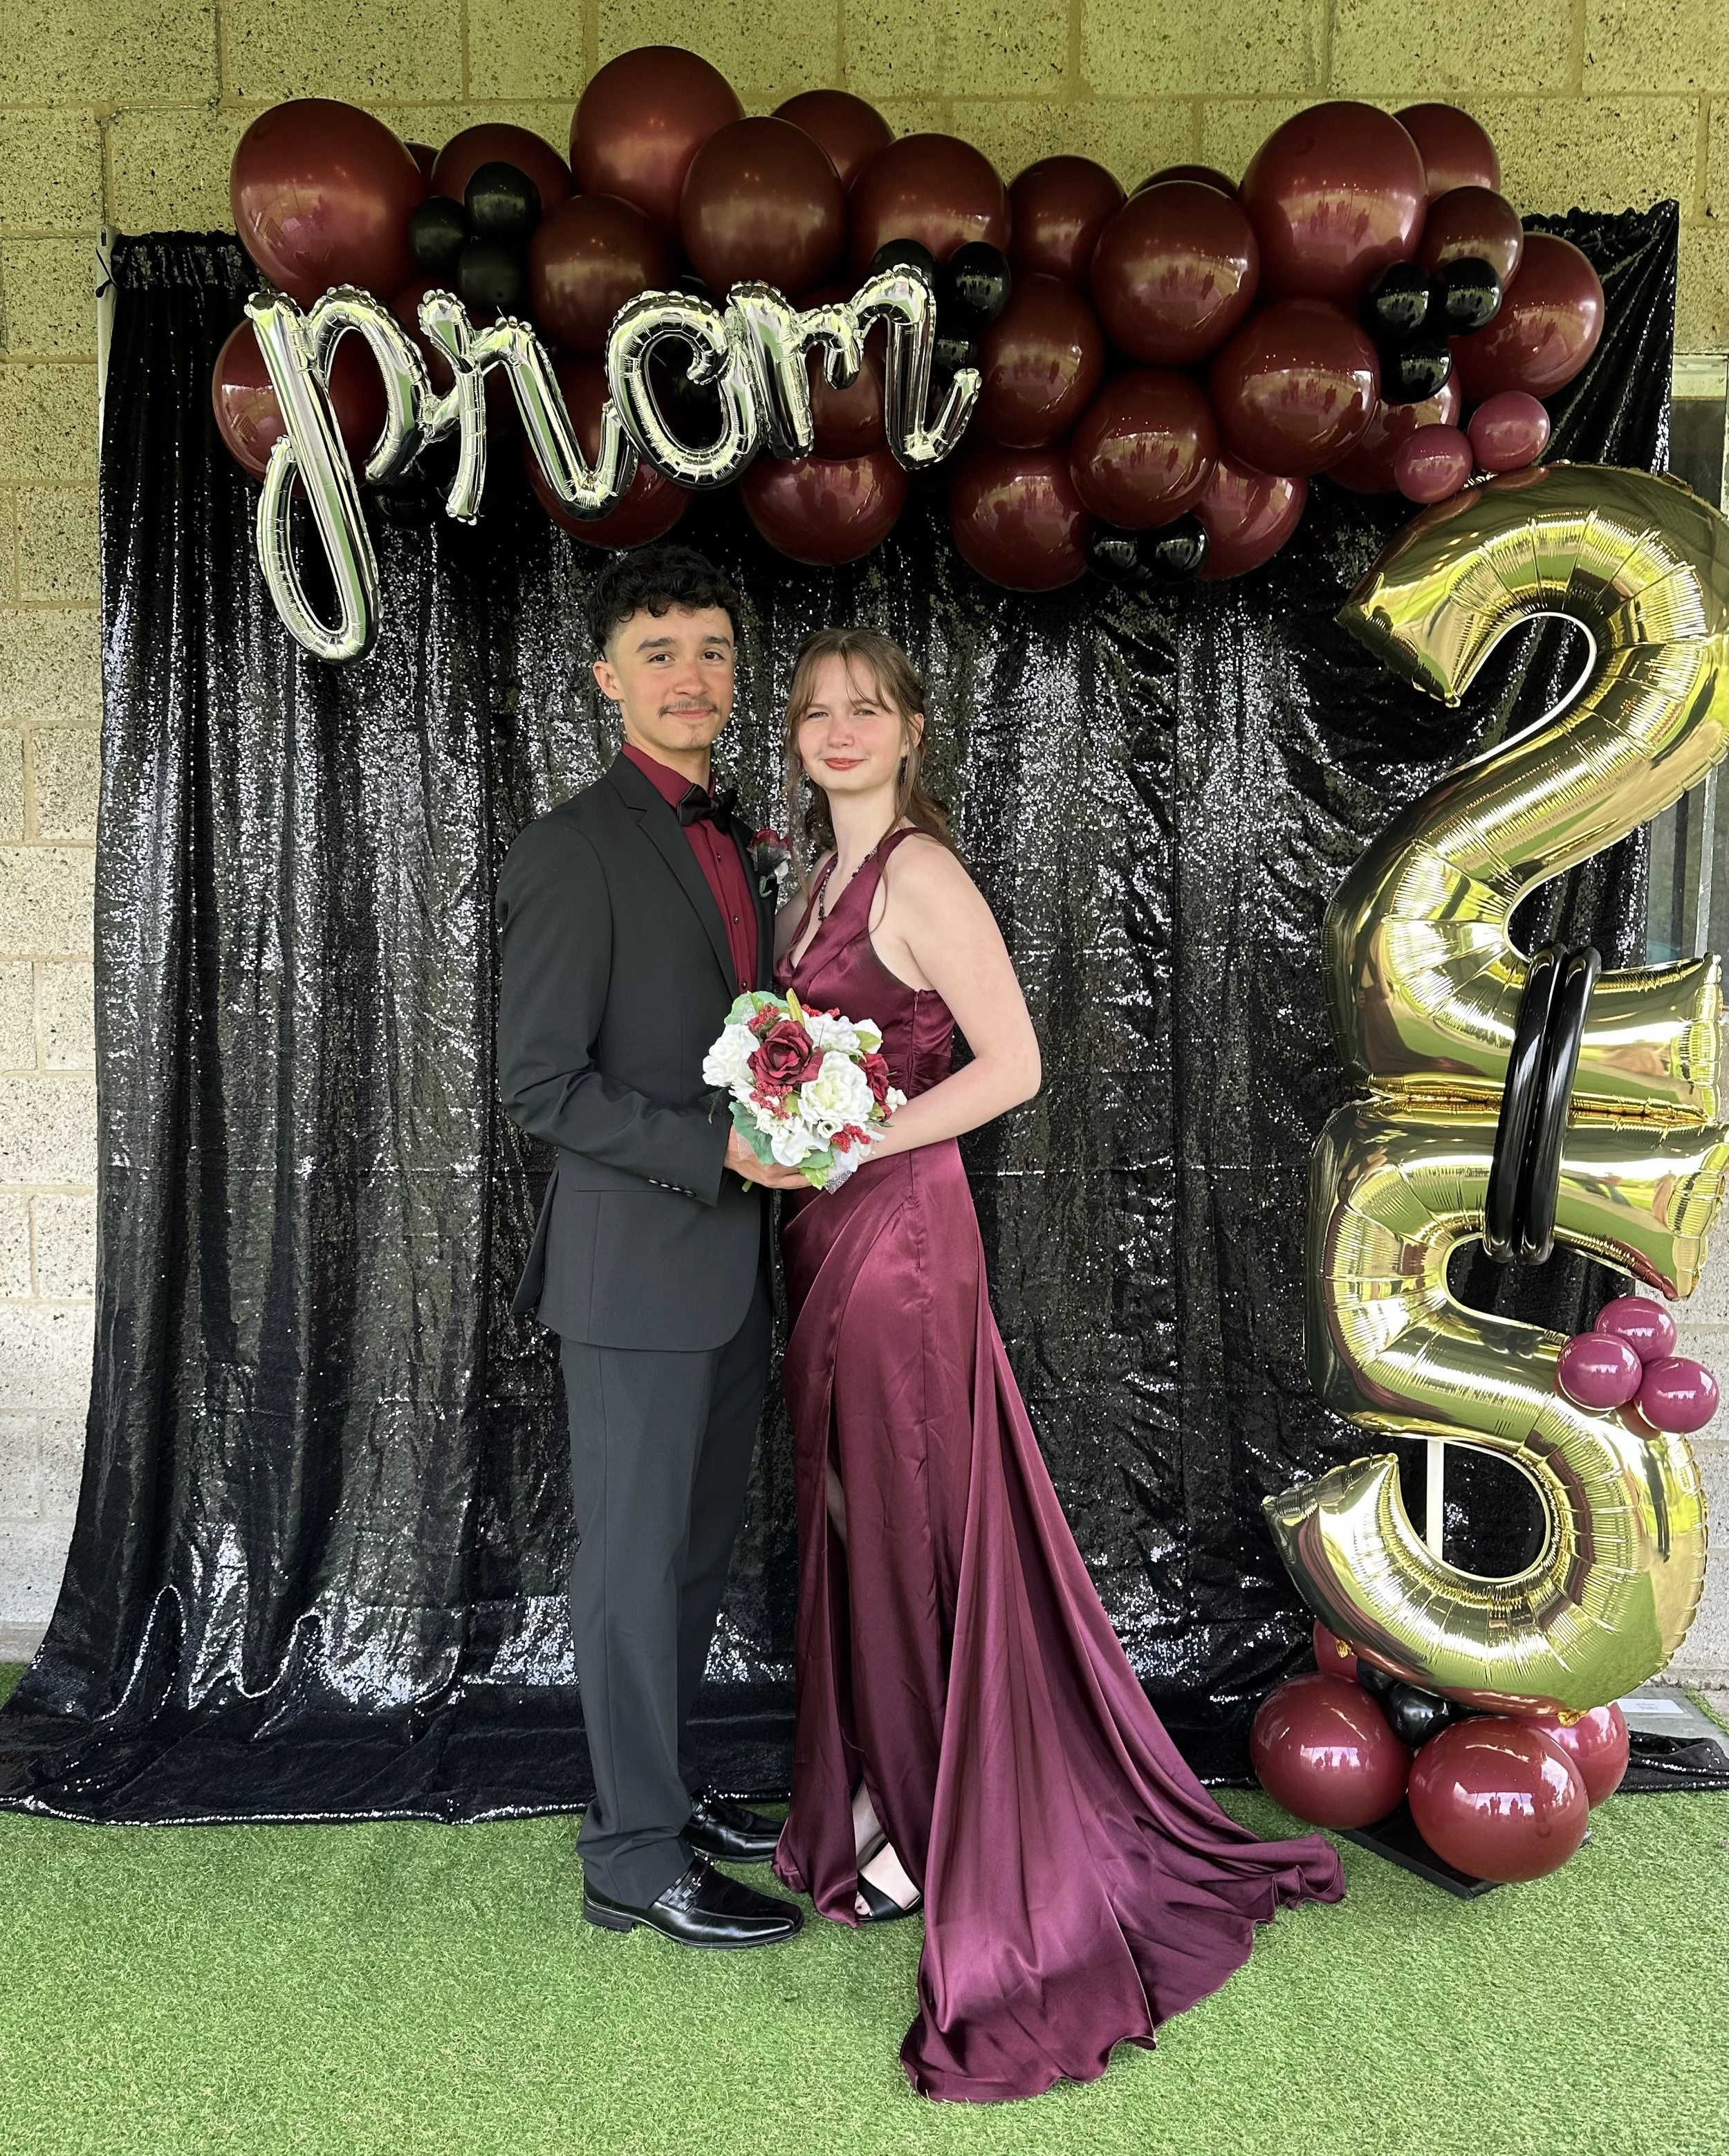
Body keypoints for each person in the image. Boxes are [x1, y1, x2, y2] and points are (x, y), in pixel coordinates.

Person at [769, 627, 1346, 2099]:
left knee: (905, 1515)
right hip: (829, 1235)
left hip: (900, 1235)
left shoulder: (917, 871)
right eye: (816, 710)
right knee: (852, 1512)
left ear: (910, 733)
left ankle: (935, 1816)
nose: (838, 729)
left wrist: (851, 1137)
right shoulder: (817, 878)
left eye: (867, 709)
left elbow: (1011, 1063)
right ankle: (894, 1790)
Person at [494, 545, 808, 1950]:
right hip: (634, 1271)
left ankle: (659, 1794)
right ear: (608, 677)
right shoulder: (570, 847)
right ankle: (629, 1856)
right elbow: (538, 1085)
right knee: (629, 1566)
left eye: (713, 650)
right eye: (662, 649)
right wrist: (714, 1151)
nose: (692, 676)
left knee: (687, 1557)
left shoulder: (737, 835)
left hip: (733, 1267)